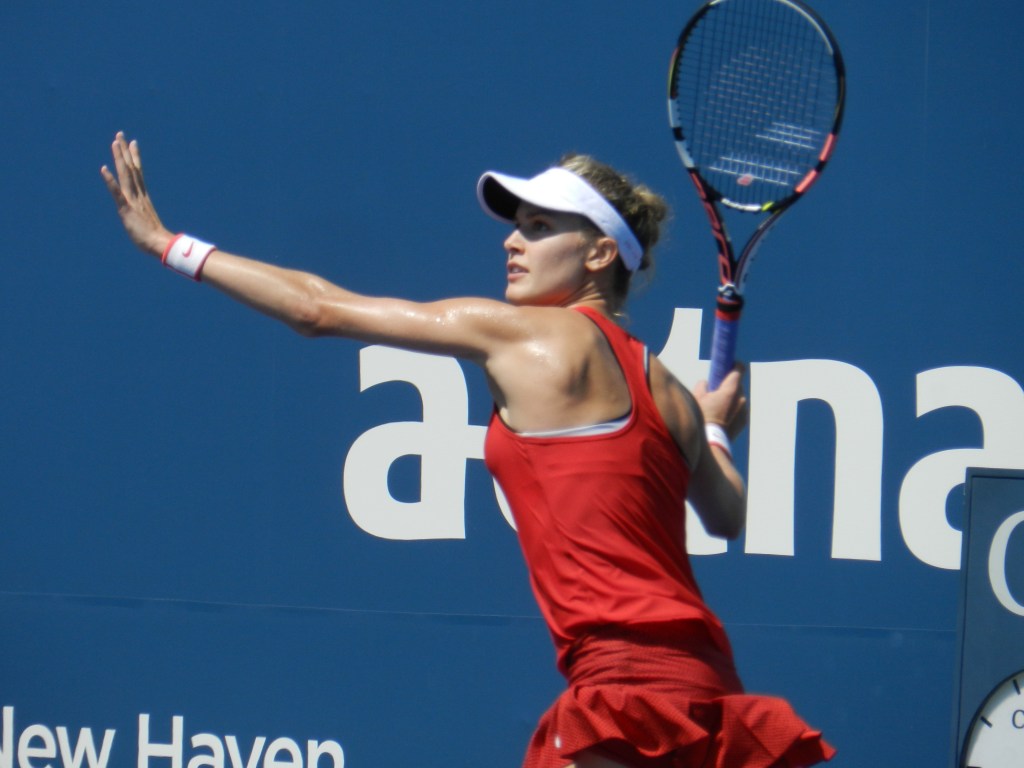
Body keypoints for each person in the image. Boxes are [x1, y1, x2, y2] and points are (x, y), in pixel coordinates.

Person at [101, 132, 834, 768]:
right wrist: (709, 429)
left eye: (540, 226)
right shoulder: (670, 391)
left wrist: (171, 245)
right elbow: (727, 515)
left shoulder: (515, 334)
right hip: (709, 690)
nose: (512, 240)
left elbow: (315, 309)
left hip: (624, 693)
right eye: (516, 225)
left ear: (600, 253)